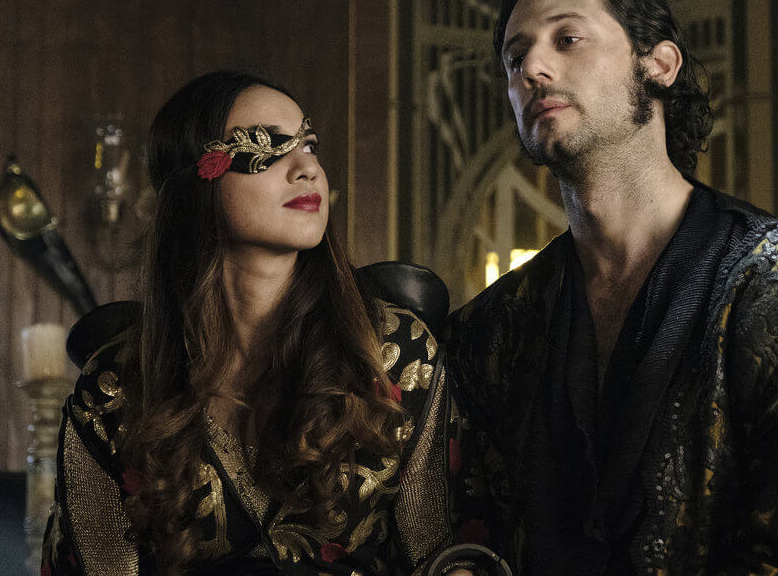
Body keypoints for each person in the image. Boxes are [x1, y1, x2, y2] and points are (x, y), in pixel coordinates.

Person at [442, 0, 778, 575]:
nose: (532, 67)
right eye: (514, 57)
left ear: (660, 64)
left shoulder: (772, 277)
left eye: (567, 38)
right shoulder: (499, 323)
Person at [41, 71, 483, 575]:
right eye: (267, 147)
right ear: (196, 178)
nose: (308, 168)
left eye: (309, 144)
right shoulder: (115, 388)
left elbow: (443, 552)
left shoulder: (394, 353)